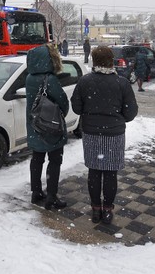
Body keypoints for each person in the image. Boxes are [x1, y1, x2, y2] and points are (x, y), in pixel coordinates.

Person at [70, 45, 138, 225]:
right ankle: (107, 210)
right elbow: (131, 112)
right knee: (110, 173)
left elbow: (76, 107)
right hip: (114, 135)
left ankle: (95, 209)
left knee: (94, 171)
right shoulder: (121, 82)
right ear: (111, 61)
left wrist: (90, 113)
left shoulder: (85, 81)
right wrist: (116, 118)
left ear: (94, 60)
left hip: (92, 133)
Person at [25, 43, 70, 210]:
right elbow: (63, 102)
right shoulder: (49, 79)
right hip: (50, 127)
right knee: (55, 160)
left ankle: (36, 192)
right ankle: (51, 196)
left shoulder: (29, 77)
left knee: (37, 159)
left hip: (35, 125)